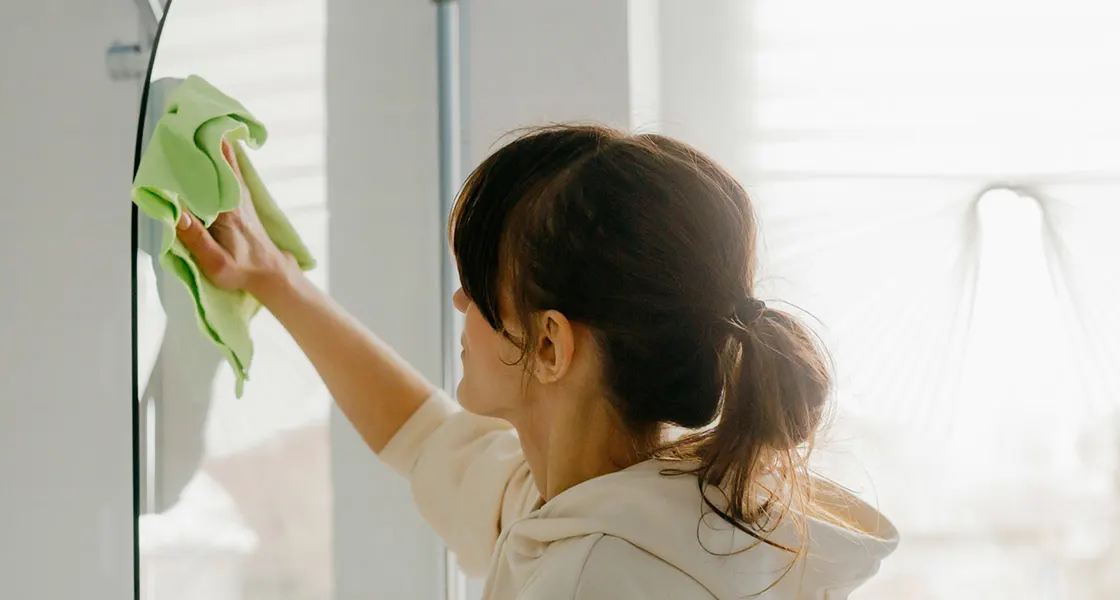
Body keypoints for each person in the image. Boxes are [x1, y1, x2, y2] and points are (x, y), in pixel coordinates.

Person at [175, 124, 898, 599]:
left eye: (483, 287)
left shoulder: (596, 576)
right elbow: (423, 435)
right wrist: (277, 281)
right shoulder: (626, 502)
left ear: (550, 346)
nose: (461, 302)